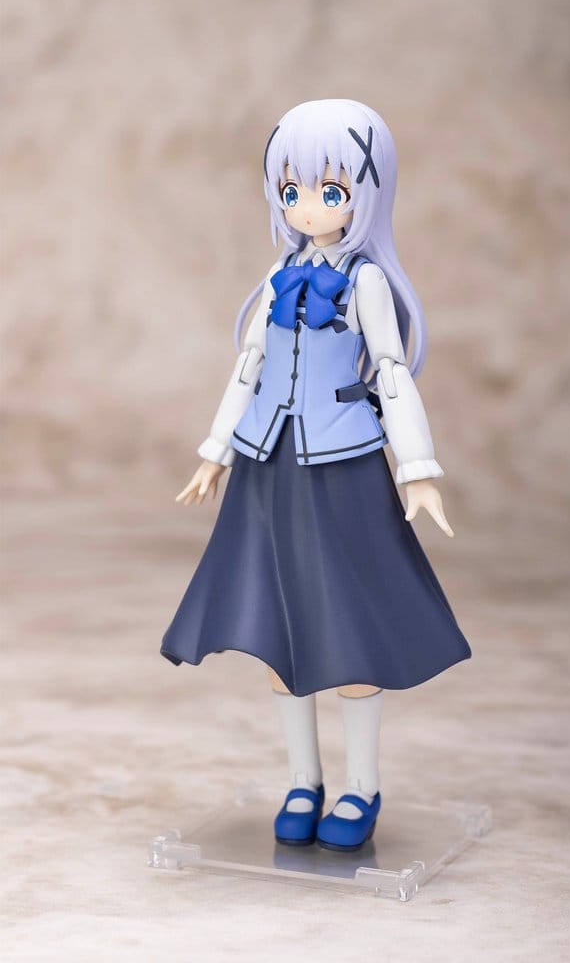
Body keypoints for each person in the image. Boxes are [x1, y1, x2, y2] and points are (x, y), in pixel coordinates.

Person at [160, 99, 472, 852]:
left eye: (330, 191)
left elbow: (390, 372)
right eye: (292, 189)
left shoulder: (365, 282)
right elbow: (249, 364)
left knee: (353, 628)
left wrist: (417, 470)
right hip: (266, 465)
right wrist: (215, 449)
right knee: (274, 626)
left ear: (366, 193)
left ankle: (361, 786)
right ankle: (304, 779)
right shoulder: (281, 273)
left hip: (342, 468)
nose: (307, 207)